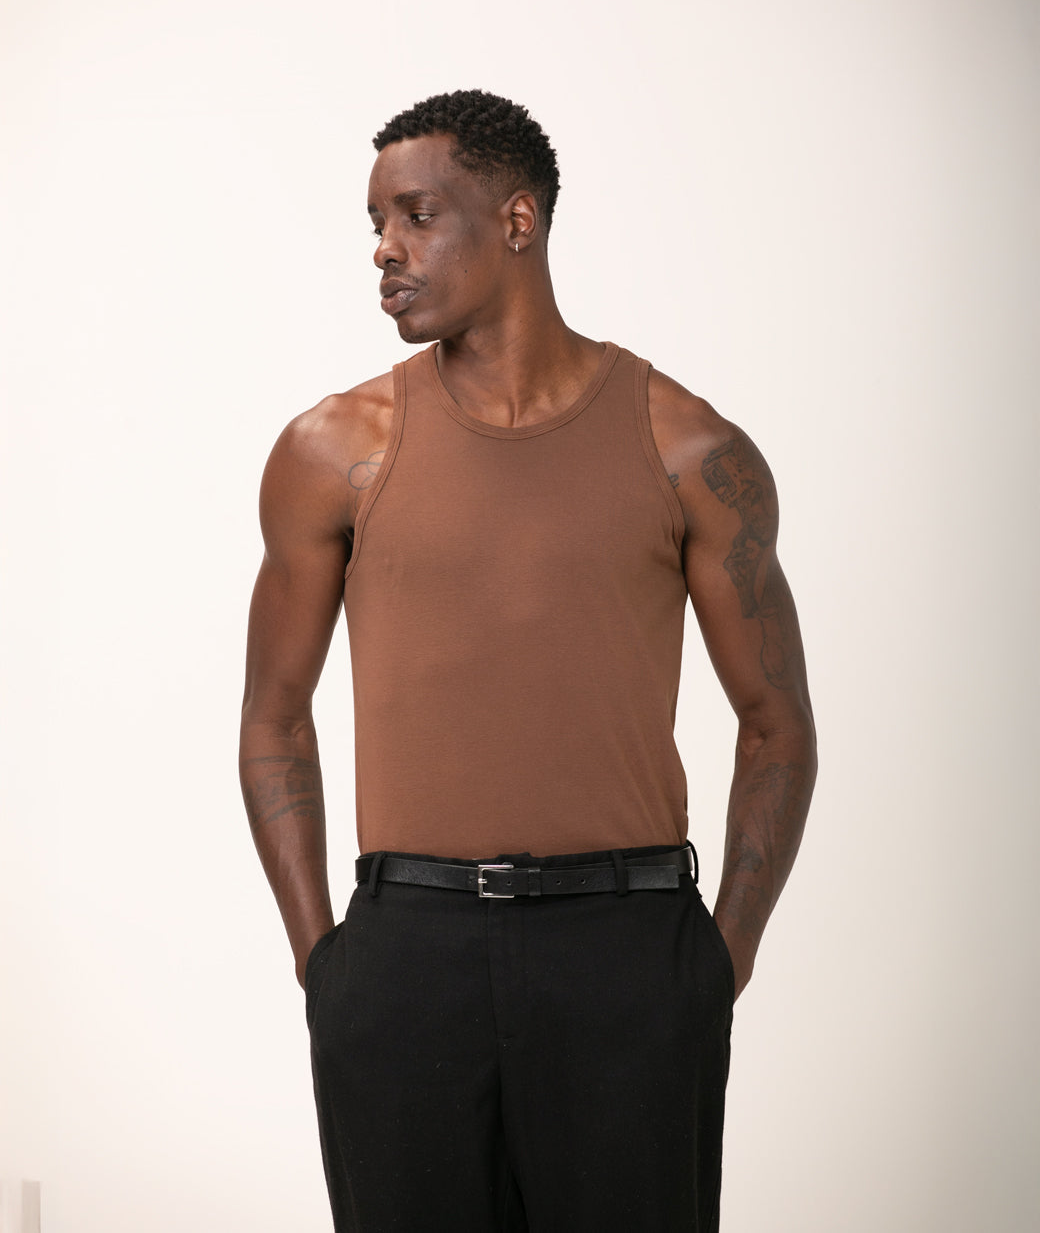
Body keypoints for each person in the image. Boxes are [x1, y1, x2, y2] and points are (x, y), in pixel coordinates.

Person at [239, 90, 816, 1232]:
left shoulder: (689, 449)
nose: (383, 249)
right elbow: (274, 715)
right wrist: (326, 966)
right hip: (405, 956)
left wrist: (717, 963)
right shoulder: (331, 452)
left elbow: (775, 721)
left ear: (517, 221)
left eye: (415, 216)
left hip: (627, 953)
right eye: (374, 223)